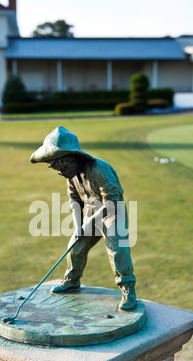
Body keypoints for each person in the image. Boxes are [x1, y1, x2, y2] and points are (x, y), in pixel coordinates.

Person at [30, 126, 137, 311]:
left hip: (112, 212)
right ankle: (72, 280)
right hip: (91, 212)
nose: (60, 173)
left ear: (71, 159)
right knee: (75, 246)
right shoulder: (71, 175)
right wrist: (79, 225)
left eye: (61, 167)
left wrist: (90, 221)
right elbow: (74, 200)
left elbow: (111, 201)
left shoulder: (99, 169)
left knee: (117, 249)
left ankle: (128, 289)